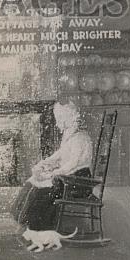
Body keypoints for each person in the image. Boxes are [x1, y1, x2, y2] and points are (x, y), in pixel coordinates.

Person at [11, 99, 94, 232]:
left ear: (67, 119)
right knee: (32, 182)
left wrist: (54, 172)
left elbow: (73, 163)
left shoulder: (80, 138)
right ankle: (23, 221)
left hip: (79, 181)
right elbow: (59, 155)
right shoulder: (69, 137)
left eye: (60, 119)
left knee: (42, 190)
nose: (57, 123)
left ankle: (39, 227)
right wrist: (43, 164)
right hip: (68, 176)